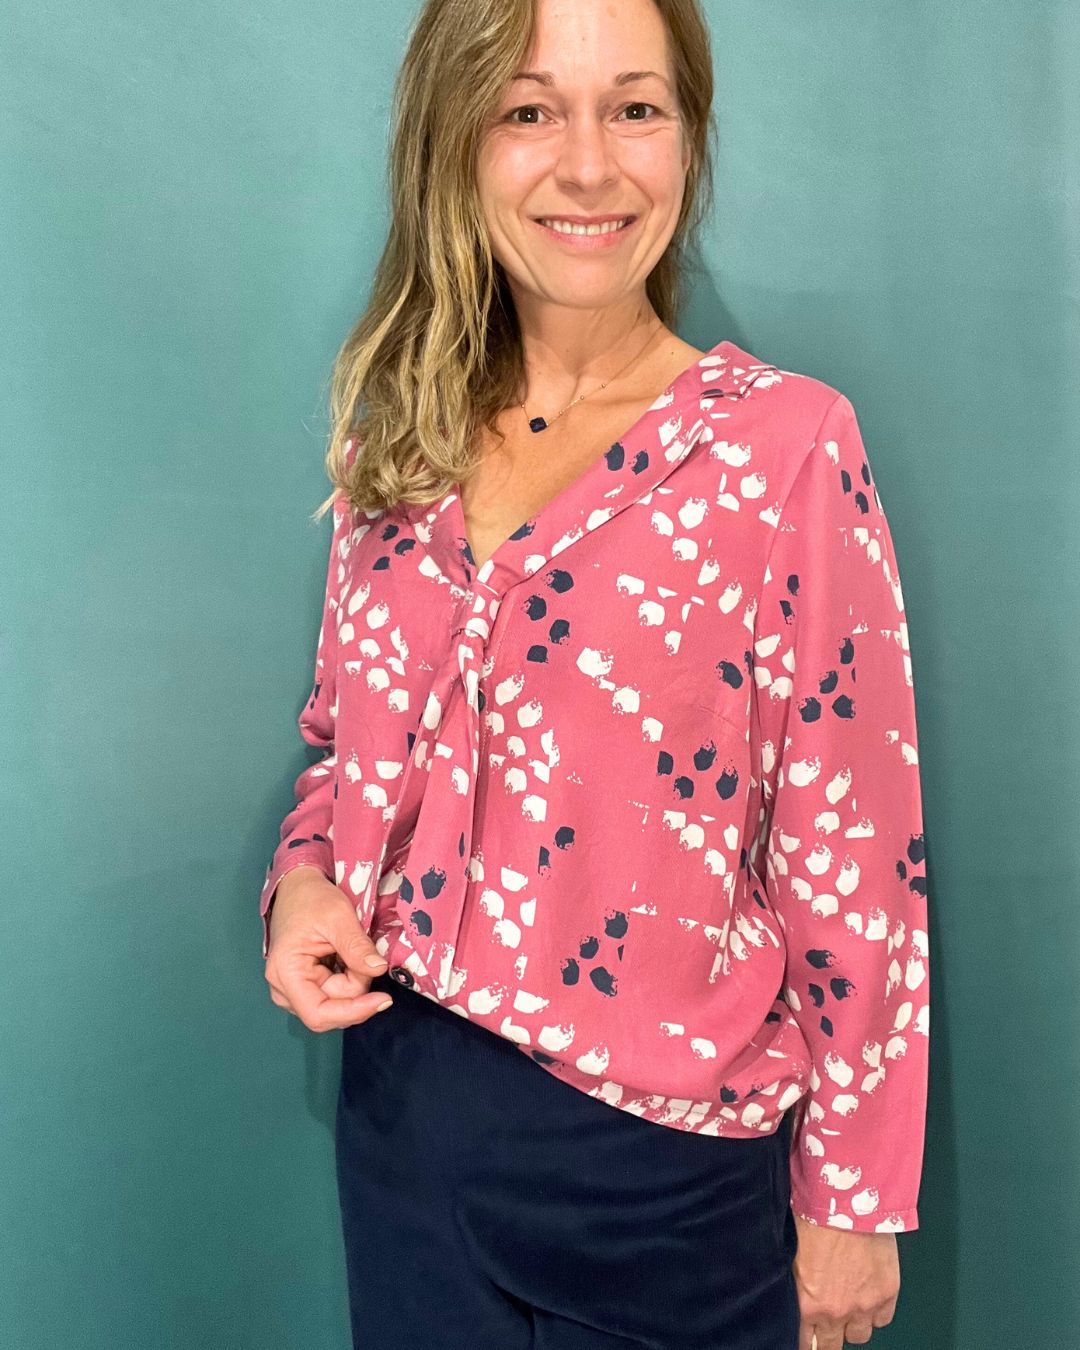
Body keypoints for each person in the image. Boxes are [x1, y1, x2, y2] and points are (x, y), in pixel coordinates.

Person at [259, 1, 931, 1346]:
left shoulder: (783, 449)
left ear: (687, 137)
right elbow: (347, 746)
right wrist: (305, 881)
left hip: (660, 1178)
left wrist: (852, 1196)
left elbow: (854, 848)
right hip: (403, 1120)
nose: (587, 164)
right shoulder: (400, 436)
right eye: (529, 110)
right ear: (456, 143)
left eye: (634, 107)